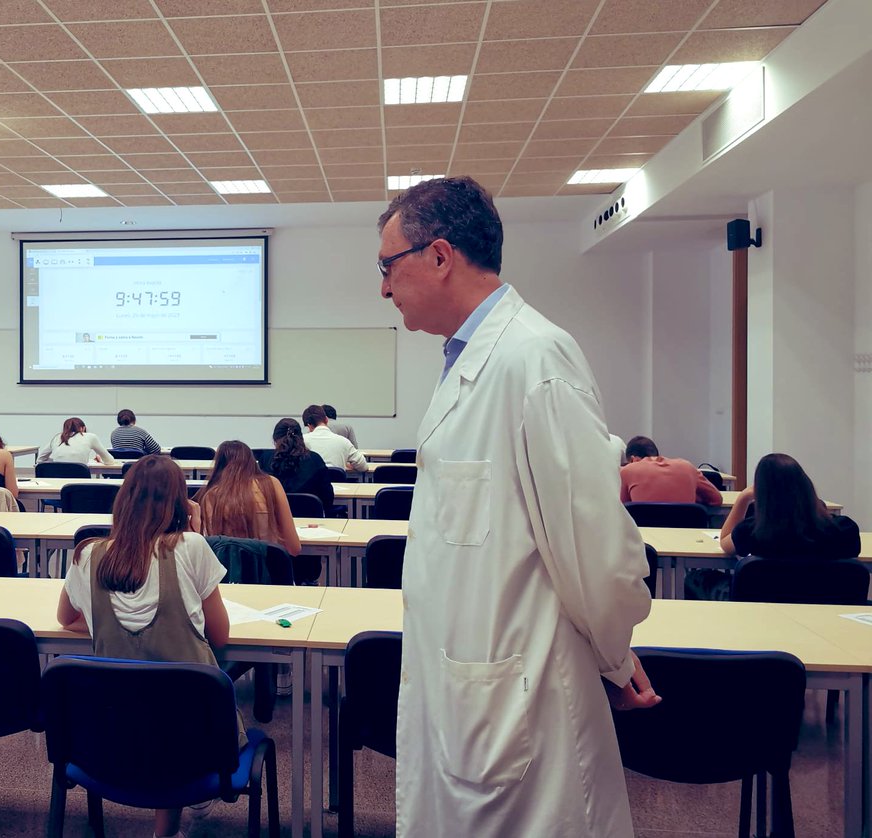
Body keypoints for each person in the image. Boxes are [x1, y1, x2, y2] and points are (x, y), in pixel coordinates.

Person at [377, 176, 656, 836]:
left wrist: (616, 656)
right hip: (477, 691)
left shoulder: (535, 358)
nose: (383, 288)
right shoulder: (472, 360)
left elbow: (594, 546)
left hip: (520, 703)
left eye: (388, 267)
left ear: (440, 257)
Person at [55, 455, 231, 838]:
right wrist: (194, 530)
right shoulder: (191, 547)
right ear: (179, 504)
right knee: (169, 698)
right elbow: (219, 635)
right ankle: (169, 822)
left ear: (123, 499)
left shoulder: (89, 554)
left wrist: (109, 616)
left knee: (147, 697)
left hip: (111, 734)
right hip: (193, 736)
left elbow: (66, 619)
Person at [721, 453, 860, 560]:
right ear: (806, 486)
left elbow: (724, 542)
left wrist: (743, 498)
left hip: (769, 597)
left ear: (762, 494)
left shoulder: (752, 532)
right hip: (826, 597)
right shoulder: (845, 530)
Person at [196, 440, 302, 556]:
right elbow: (294, 548)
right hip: (268, 571)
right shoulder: (271, 484)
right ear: (251, 461)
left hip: (228, 572)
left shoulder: (210, 497)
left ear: (218, 465)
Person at [619, 435, 722, 506]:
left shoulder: (628, 470)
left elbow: (622, 508)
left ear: (633, 459)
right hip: (685, 532)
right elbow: (716, 500)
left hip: (644, 534)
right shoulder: (687, 467)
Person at [256, 418, 334, 511]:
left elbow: (259, 494)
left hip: (275, 521)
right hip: (311, 519)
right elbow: (328, 497)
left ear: (275, 438)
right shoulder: (315, 459)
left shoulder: (265, 459)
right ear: (301, 437)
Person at [301, 404, 367, 472]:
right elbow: (363, 467)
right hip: (337, 481)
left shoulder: (301, 441)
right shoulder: (343, 441)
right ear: (326, 420)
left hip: (313, 482)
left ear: (309, 425)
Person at [37, 417, 116, 466]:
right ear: (83, 428)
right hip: (80, 482)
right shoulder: (90, 437)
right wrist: (101, 460)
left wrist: (57, 461)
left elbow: (40, 460)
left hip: (58, 479)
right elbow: (110, 461)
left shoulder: (57, 437)